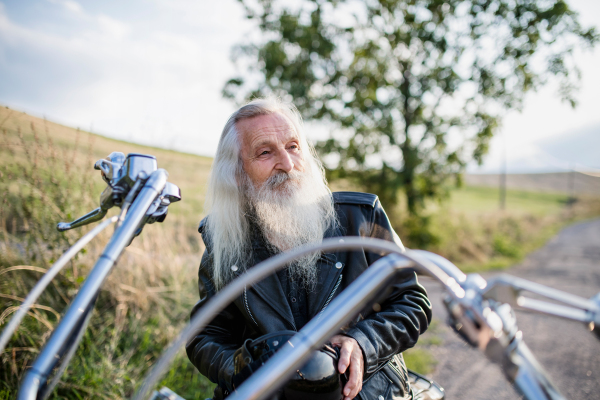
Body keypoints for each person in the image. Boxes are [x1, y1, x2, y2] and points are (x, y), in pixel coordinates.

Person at [186, 98, 432, 400]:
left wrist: (363, 344)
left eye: (293, 146)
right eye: (265, 152)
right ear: (237, 173)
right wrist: (239, 367)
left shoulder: (360, 218)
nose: (287, 165)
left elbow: (412, 301)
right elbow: (205, 336)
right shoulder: (225, 242)